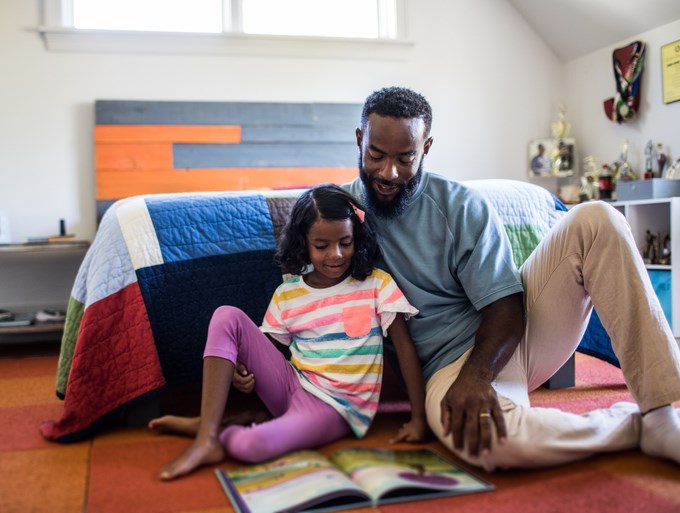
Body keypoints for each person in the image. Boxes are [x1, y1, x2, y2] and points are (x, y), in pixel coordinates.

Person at [343, 86, 680, 471]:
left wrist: (478, 377)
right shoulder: (340, 214)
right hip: (443, 366)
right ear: (359, 141)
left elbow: (506, 306)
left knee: (597, 219)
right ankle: (632, 425)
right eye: (376, 155)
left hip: (515, 335)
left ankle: (659, 412)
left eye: (406, 158)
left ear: (427, 148)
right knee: (491, 444)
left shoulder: (461, 204)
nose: (389, 172)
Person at [149, 184, 428, 480]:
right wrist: (237, 370)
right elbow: (260, 350)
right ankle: (207, 435)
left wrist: (419, 418)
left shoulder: (376, 285)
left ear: (356, 238)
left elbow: (405, 348)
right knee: (225, 316)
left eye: (345, 243)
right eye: (321, 246)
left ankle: (223, 425)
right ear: (303, 243)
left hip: (335, 407)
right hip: (290, 386)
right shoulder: (289, 293)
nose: (335, 255)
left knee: (249, 445)